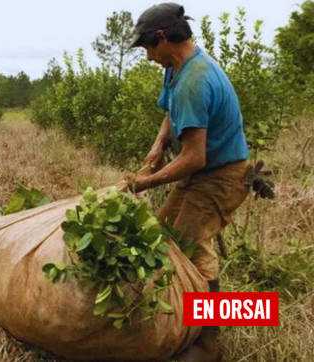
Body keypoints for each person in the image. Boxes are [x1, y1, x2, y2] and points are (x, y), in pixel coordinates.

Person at [124, 3, 250, 362]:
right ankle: (175, 320)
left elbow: (195, 157)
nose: (147, 56)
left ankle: (207, 347)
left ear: (163, 38)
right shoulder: (176, 68)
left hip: (222, 175)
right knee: (162, 233)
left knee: (191, 247)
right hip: (200, 172)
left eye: (148, 47)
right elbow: (170, 113)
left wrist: (144, 184)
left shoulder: (196, 80)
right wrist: (157, 148)